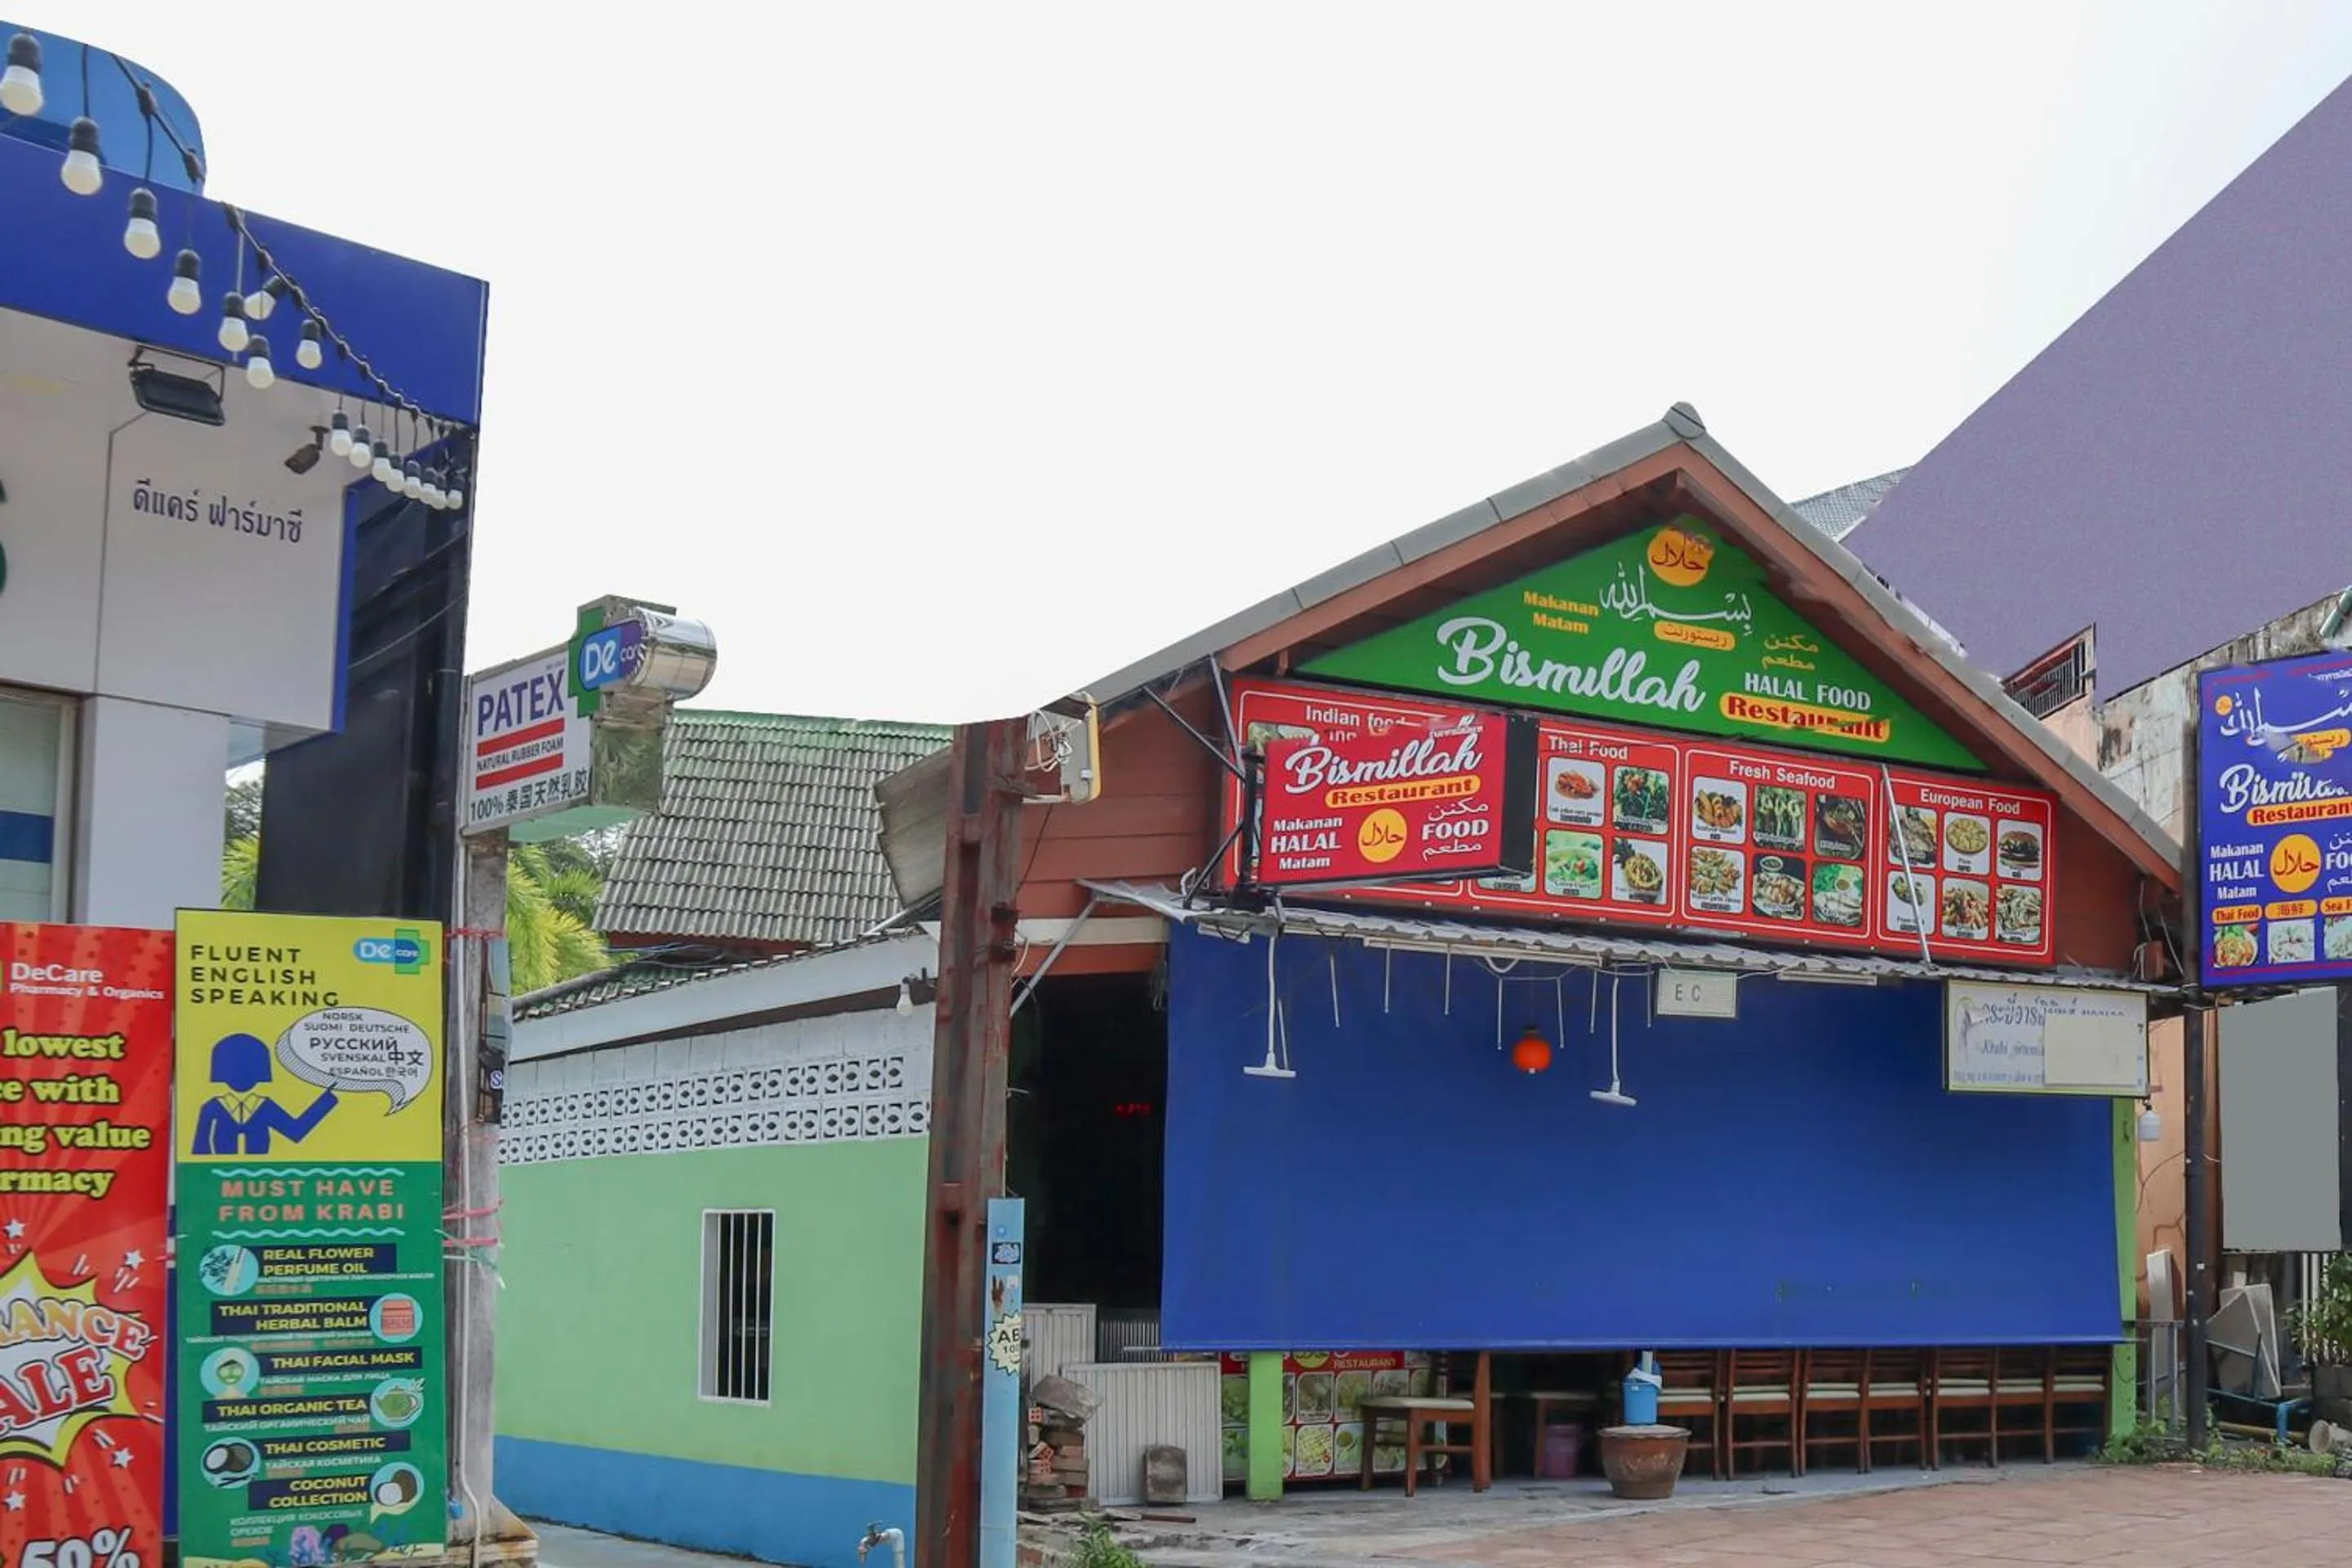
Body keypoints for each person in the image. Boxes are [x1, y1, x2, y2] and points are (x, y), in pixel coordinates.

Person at [189, 1032, 336, 1155]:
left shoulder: (265, 1107)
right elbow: (199, 1148)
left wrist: (326, 1101)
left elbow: (295, 1131)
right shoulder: (212, 1107)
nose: (241, 1078)